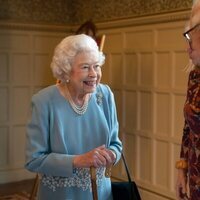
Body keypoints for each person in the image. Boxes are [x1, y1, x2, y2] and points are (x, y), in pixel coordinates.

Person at [25, 34, 122, 200]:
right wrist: (79, 160)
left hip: (101, 194)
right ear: (66, 70)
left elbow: (115, 144)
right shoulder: (43, 101)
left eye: (97, 66)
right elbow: (33, 160)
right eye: (85, 67)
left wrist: (112, 155)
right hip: (60, 195)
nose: (93, 74)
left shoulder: (105, 95)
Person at [176, 1, 200, 199]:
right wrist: (181, 169)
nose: (187, 48)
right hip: (196, 176)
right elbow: (188, 129)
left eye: (190, 40)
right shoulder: (194, 77)